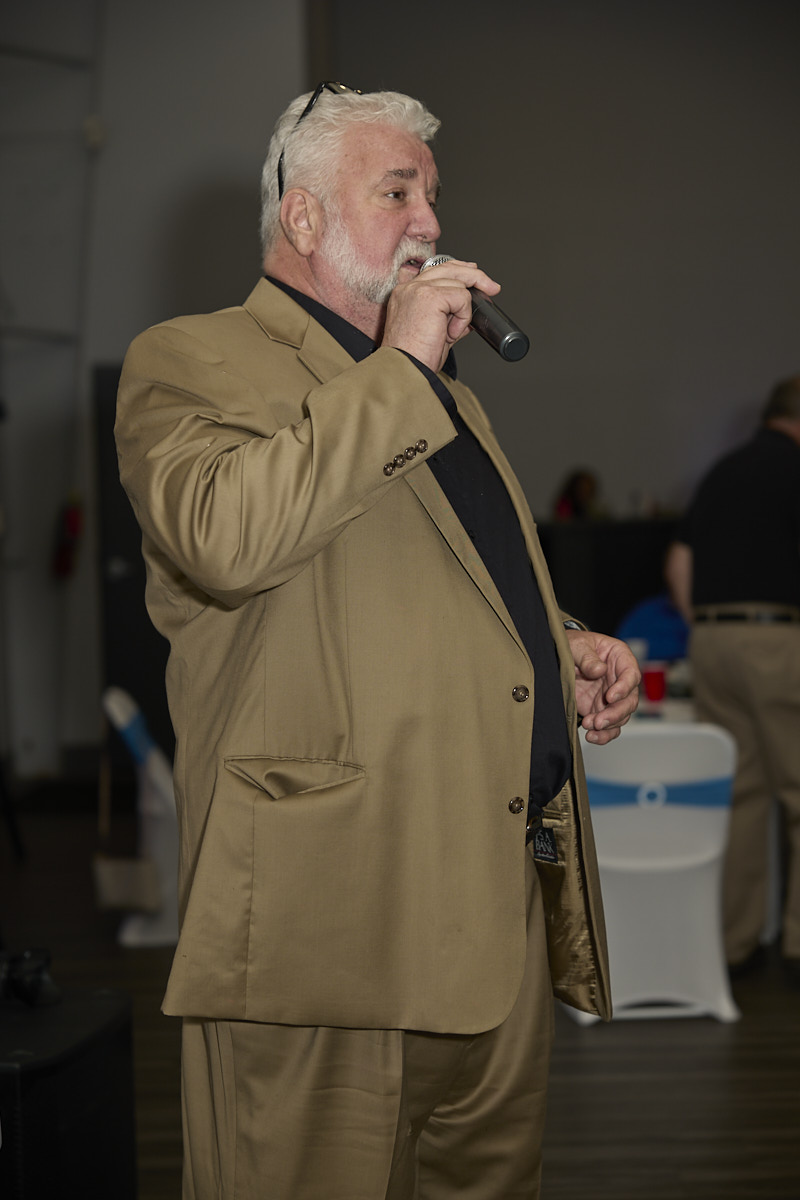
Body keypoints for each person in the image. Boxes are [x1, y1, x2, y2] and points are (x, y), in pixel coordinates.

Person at [115, 83, 640, 1200]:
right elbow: (226, 538)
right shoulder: (192, 358)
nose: (430, 222)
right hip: (324, 934)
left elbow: (438, 577)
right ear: (303, 215)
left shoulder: (441, 394)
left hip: (492, 925)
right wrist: (400, 372)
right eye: (396, 191)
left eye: (432, 195)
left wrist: (565, 642)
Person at [665, 376, 800, 983]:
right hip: (778, 637)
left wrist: (704, 627)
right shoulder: (793, 469)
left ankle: (735, 943)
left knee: (742, 795)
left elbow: (679, 560)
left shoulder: (722, 471)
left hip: (714, 641)